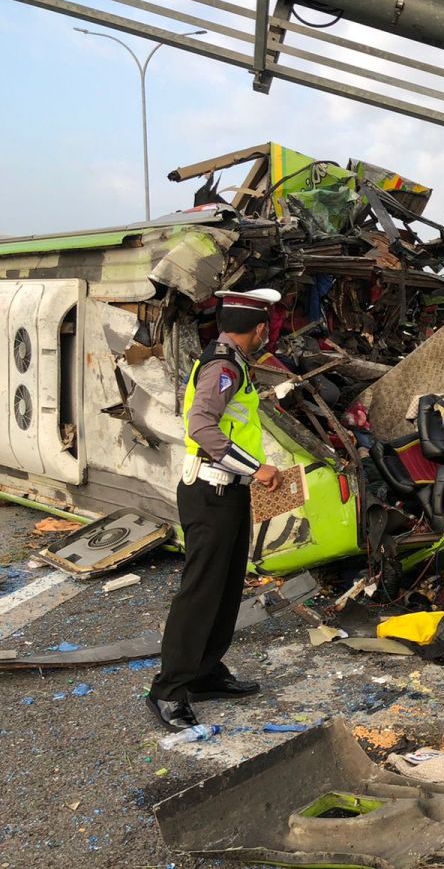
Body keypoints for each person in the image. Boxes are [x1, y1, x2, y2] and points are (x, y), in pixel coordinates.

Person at [146, 289, 283, 729]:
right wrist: (255, 468)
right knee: (201, 591)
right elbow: (201, 425)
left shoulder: (232, 362)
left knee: (225, 588)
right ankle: (168, 690)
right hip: (211, 492)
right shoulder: (223, 365)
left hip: (228, 492)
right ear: (258, 328)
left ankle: (205, 673)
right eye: (265, 327)